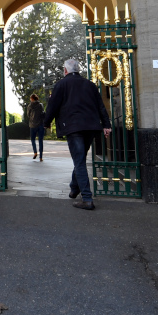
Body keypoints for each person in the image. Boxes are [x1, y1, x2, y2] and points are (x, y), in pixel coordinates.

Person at [43, 59, 112, 210]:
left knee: (79, 161)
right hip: (91, 127)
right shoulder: (90, 85)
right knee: (79, 158)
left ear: (65, 71)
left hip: (73, 127)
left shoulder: (62, 84)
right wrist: (106, 125)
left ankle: (87, 198)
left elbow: (52, 105)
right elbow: (100, 106)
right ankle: (74, 189)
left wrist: (46, 123)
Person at [27, 93, 45, 161]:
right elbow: (43, 113)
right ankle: (41, 157)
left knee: (33, 140)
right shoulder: (41, 105)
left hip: (32, 125)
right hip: (40, 125)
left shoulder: (29, 106)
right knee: (40, 141)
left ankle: (35, 152)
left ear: (32, 99)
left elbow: (28, 115)